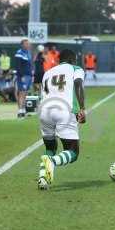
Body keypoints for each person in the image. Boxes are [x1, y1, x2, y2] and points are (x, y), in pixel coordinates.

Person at [38, 49, 86, 190]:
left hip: (44, 111)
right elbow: (78, 84)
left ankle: (43, 178)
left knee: (50, 147)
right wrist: (81, 108)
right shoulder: (76, 69)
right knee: (73, 151)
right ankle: (52, 162)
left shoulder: (48, 72)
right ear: (73, 59)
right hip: (63, 110)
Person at [15, 39, 32, 119]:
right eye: (26, 44)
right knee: (21, 93)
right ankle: (20, 111)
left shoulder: (28, 53)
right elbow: (18, 66)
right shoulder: (19, 53)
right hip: (23, 76)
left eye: (28, 44)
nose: (28, 45)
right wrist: (21, 76)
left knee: (25, 94)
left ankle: (24, 110)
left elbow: (29, 65)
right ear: (22, 45)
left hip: (28, 76)